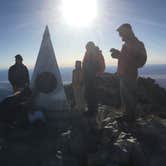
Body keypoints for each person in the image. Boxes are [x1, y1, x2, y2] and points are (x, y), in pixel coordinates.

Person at [110, 23, 147, 123]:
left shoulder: (136, 43)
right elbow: (127, 58)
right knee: (125, 98)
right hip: (124, 76)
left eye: (121, 32)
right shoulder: (127, 44)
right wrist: (118, 54)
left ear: (127, 31)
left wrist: (120, 56)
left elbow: (140, 62)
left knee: (130, 98)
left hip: (129, 76)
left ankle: (131, 119)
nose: (119, 35)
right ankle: (127, 116)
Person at [83, 41, 105, 116]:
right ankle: (90, 109)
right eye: (86, 48)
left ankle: (94, 111)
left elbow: (102, 66)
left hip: (94, 77)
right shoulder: (87, 53)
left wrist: (97, 74)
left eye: (88, 48)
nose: (87, 50)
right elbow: (84, 64)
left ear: (91, 47)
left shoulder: (97, 53)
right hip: (88, 77)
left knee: (93, 93)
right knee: (88, 93)